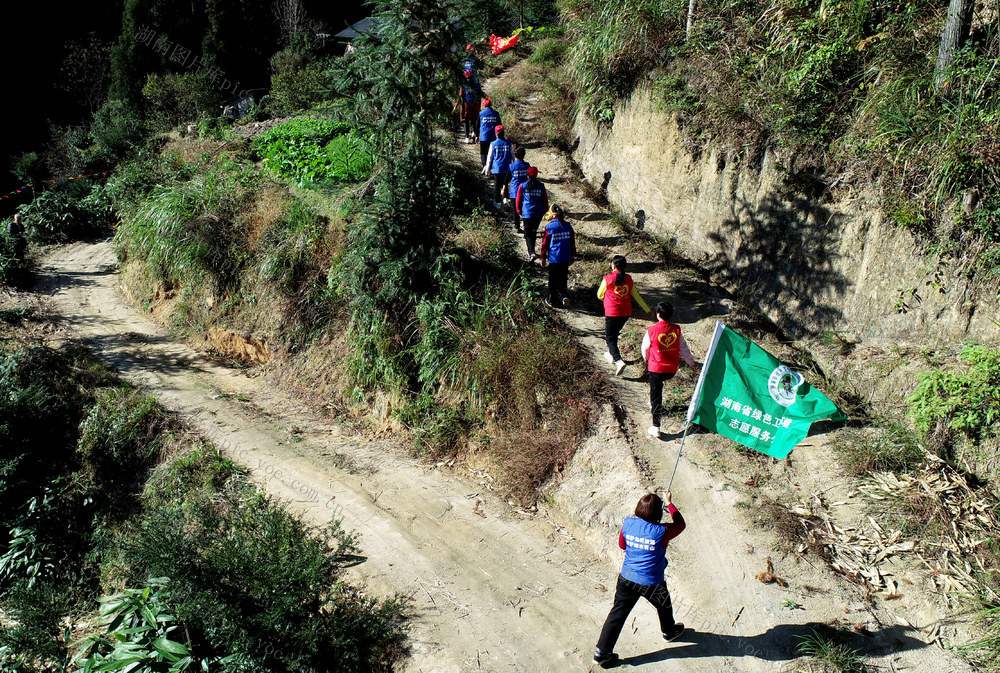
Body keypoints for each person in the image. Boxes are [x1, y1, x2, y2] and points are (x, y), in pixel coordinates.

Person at [594, 491, 687, 668]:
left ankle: (602, 652)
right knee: (664, 605)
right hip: (652, 582)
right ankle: (669, 631)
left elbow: (622, 545)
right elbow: (681, 524)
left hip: (627, 578)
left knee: (617, 613)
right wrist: (669, 503)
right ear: (658, 514)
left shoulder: (628, 523)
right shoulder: (663, 531)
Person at [642, 302, 699, 437]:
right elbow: (683, 348)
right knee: (656, 392)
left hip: (656, 368)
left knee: (656, 395)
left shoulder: (651, 330)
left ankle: (656, 426)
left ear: (658, 315)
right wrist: (691, 363)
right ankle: (654, 406)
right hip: (671, 369)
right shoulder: (676, 330)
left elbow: (645, 348)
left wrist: (646, 359)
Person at [597, 255, 653, 376]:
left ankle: (618, 361)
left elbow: (599, 295)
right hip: (626, 313)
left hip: (612, 312)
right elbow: (637, 297)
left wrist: (607, 298)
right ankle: (611, 353)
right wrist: (647, 310)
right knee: (614, 334)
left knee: (610, 338)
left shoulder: (607, 279)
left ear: (614, 265)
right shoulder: (628, 279)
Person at [539, 204, 575, 307]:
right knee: (563, 278)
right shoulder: (568, 226)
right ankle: (564, 296)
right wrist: (572, 255)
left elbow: (545, 244)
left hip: (554, 258)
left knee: (553, 280)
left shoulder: (549, 227)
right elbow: (572, 242)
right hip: (565, 257)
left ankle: (551, 300)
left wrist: (543, 257)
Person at [515, 166, 548, 261]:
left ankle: (531, 252)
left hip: (527, 213)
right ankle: (532, 251)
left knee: (529, 233)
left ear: (527, 174)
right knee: (533, 231)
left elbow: (518, 200)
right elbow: (545, 200)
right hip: (538, 213)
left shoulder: (522, 185)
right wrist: (545, 211)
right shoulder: (541, 186)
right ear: (537, 174)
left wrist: (519, 211)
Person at [482, 125, 513, 209]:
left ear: (496, 134)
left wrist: (487, 169)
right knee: (505, 183)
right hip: (507, 167)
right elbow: (513, 155)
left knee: (496, 185)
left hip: (497, 168)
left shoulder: (493, 144)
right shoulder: (509, 143)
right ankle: (505, 198)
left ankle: (497, 202)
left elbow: (489, 158)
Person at [455, 69, 483, 142]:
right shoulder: (477, 83)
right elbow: (480, 95)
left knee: (465, 120)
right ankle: (473, 132)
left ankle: (467, 137)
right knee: (474, 119)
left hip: (466, 103)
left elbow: (460, 95)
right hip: (475, 103)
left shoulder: (463, 84)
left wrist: (455, 106)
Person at [508, 146, 530, 233]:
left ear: (515, 155)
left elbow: (507, 178)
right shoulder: (527, 165)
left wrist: (504, 188)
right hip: (525, 191)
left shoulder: (512, 166)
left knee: (515, 210)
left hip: (514, 191)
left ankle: (517, 226)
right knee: (524, 209)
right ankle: (525, 227)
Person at [478, 99, 501, 167]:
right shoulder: (496, 113)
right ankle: (490, 167)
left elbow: (477, 125)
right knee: (492, 153)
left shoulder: (481, 114)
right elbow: (499, 125)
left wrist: (476, 135)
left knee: (483, 152)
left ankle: (485, 166)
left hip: (483, 137)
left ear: (484, 105)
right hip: (493, 137)